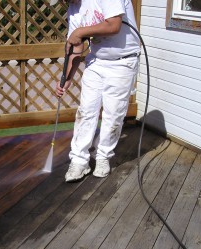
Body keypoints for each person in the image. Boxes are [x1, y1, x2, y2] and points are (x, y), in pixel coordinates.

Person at [49, 0, 141, 182]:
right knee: (86, 111)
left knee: (113, 114)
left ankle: (103, 156)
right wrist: (67, 79)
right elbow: (76, 46)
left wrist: (80, 32)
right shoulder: (74, 9)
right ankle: (79, 160)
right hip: (96, 61)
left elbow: (113, 25)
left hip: (123, 62)